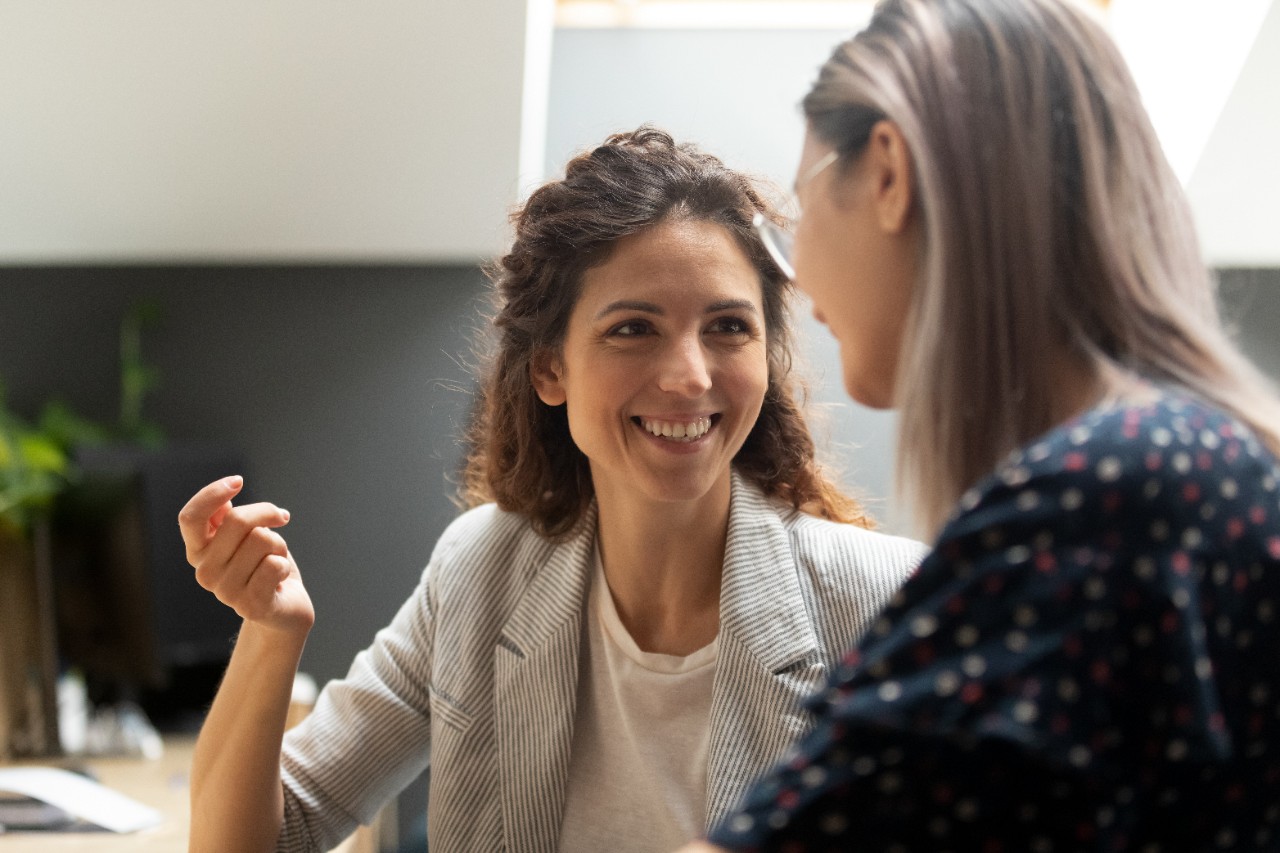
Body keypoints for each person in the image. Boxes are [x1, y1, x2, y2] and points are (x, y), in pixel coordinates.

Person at [177, 126, 926, 853]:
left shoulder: (887, 604)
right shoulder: (481, 572)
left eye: (729, 326)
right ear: (549, 370)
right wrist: (272, 634)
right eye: (634, 328)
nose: (691, 375)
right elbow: (264, 839)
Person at [676, 1, 1280, 850]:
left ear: (887, 172)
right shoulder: (1187, 470)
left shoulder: (1103, 499)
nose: (799, 275)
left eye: (801, 212)